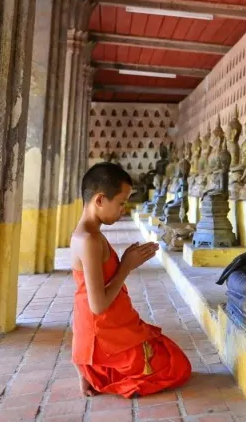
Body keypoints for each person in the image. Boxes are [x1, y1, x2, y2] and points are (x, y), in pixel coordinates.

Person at [70, 162, 192, 398]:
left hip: (109, 331)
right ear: (99, 200)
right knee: (177, 367)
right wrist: (126, 266)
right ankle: (100, 372)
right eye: (121, 203)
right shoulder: (88, 240)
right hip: (104, 338)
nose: (123, 210)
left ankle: (97, 370)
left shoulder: (90, 235)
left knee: (170, 353)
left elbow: (86, 298)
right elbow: (97, 305)